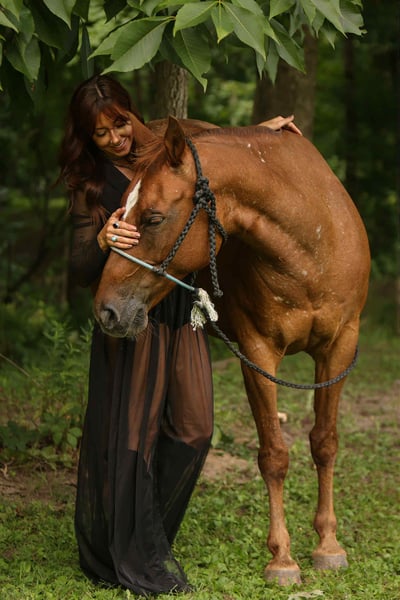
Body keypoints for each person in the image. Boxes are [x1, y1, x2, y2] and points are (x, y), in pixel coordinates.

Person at [58, 74, 300, 595]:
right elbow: (76, 269)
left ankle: (148, 538)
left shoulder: (163, 153)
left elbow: (220, 153)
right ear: (87, 136)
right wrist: (101, 238)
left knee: (194, 429)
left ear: (131, 113)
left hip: (180, 303)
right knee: (133, 438)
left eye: (119, 123)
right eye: (100, 132)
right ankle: (136, 553)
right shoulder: (91, 182)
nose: (115, 138)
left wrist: (265, 132)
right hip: (133, 312)